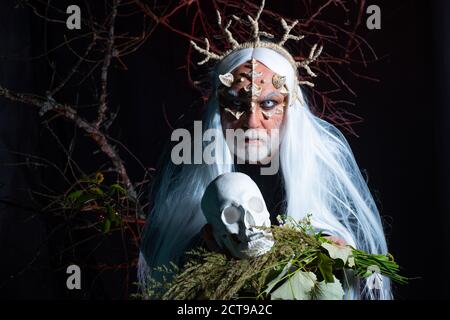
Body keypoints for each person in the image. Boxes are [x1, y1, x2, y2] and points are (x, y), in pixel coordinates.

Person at [138, 1, 391, 300]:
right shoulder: (194, 175)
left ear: (289, 106)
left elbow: (355, 272)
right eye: (236, 104)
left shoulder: (320, 178)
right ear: (219, 108)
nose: (252, 122)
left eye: (268, 104)